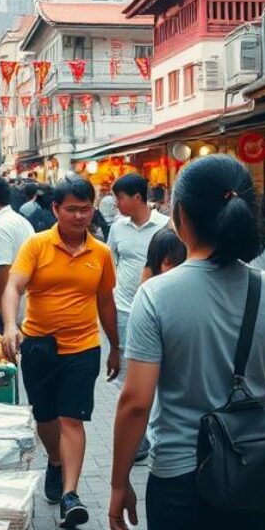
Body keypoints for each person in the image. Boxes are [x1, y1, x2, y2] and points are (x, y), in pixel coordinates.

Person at [108, 155, 265, 530]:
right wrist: (255, 382)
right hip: (253, 473)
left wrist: (119, 482)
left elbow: (136, 401)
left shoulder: (156, 295)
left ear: (180, 216)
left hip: (179, 478)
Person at [1, 176, 120, 529]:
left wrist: (116, 346)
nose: (80, 216)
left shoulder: (101, 252)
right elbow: (14, 287)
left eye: (86, 209)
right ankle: (55, 460)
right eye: (72, 209)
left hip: (83, 347)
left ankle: (71, 495)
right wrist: (10, 325)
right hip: (39, 345)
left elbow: (105, 300)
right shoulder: (36, 245)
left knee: (72, 418)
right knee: (45, 416)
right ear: (55, 209)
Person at [104, 173, 169, 464]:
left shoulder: (166, 226)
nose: (116, 203)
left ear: (138, 198)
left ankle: (153, 431)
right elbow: (111, 261)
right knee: (127, 373)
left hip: (158, 310)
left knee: (157, 371)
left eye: (120, 198)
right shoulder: (117, 228)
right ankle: (138, 436)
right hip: (123, 308)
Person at [0, 175, 36, 332]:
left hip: (5, 311)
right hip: (23, 305)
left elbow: (4, 268)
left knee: (2, 353)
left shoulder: (0, 227)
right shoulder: (20, 221)